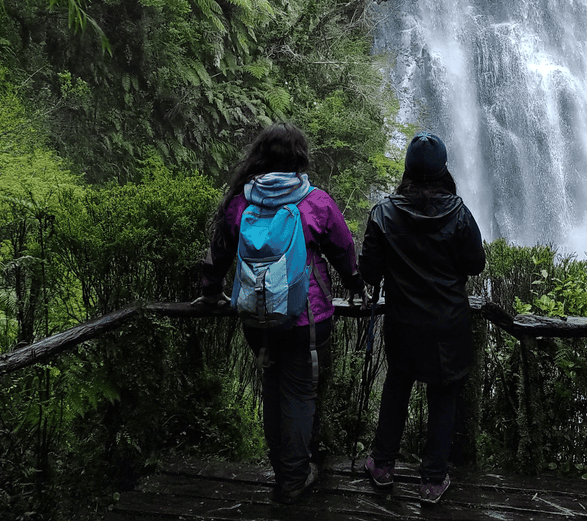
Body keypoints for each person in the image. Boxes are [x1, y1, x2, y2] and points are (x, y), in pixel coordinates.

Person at [194, 121, 365, 504]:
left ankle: (281, 472)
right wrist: (356, 287)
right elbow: (343, 251)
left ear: (260, 157)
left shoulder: (240, 202)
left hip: (256, 318)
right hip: (307, 318)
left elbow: (217, 255)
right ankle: (295, 478)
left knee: (272, 389)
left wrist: (210, 292)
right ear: (300, 159)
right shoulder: (315, 201)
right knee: (301, 395)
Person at [358, 131, 485, 507]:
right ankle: (431, 482)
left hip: (403, 322)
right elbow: (475, 264)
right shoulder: (459, 213)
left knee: (397, 388)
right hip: (448, 323)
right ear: (444, 170)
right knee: (443, 396)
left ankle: (381, 467)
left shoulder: (383, 212)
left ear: (407, 170)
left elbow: (369, 270)